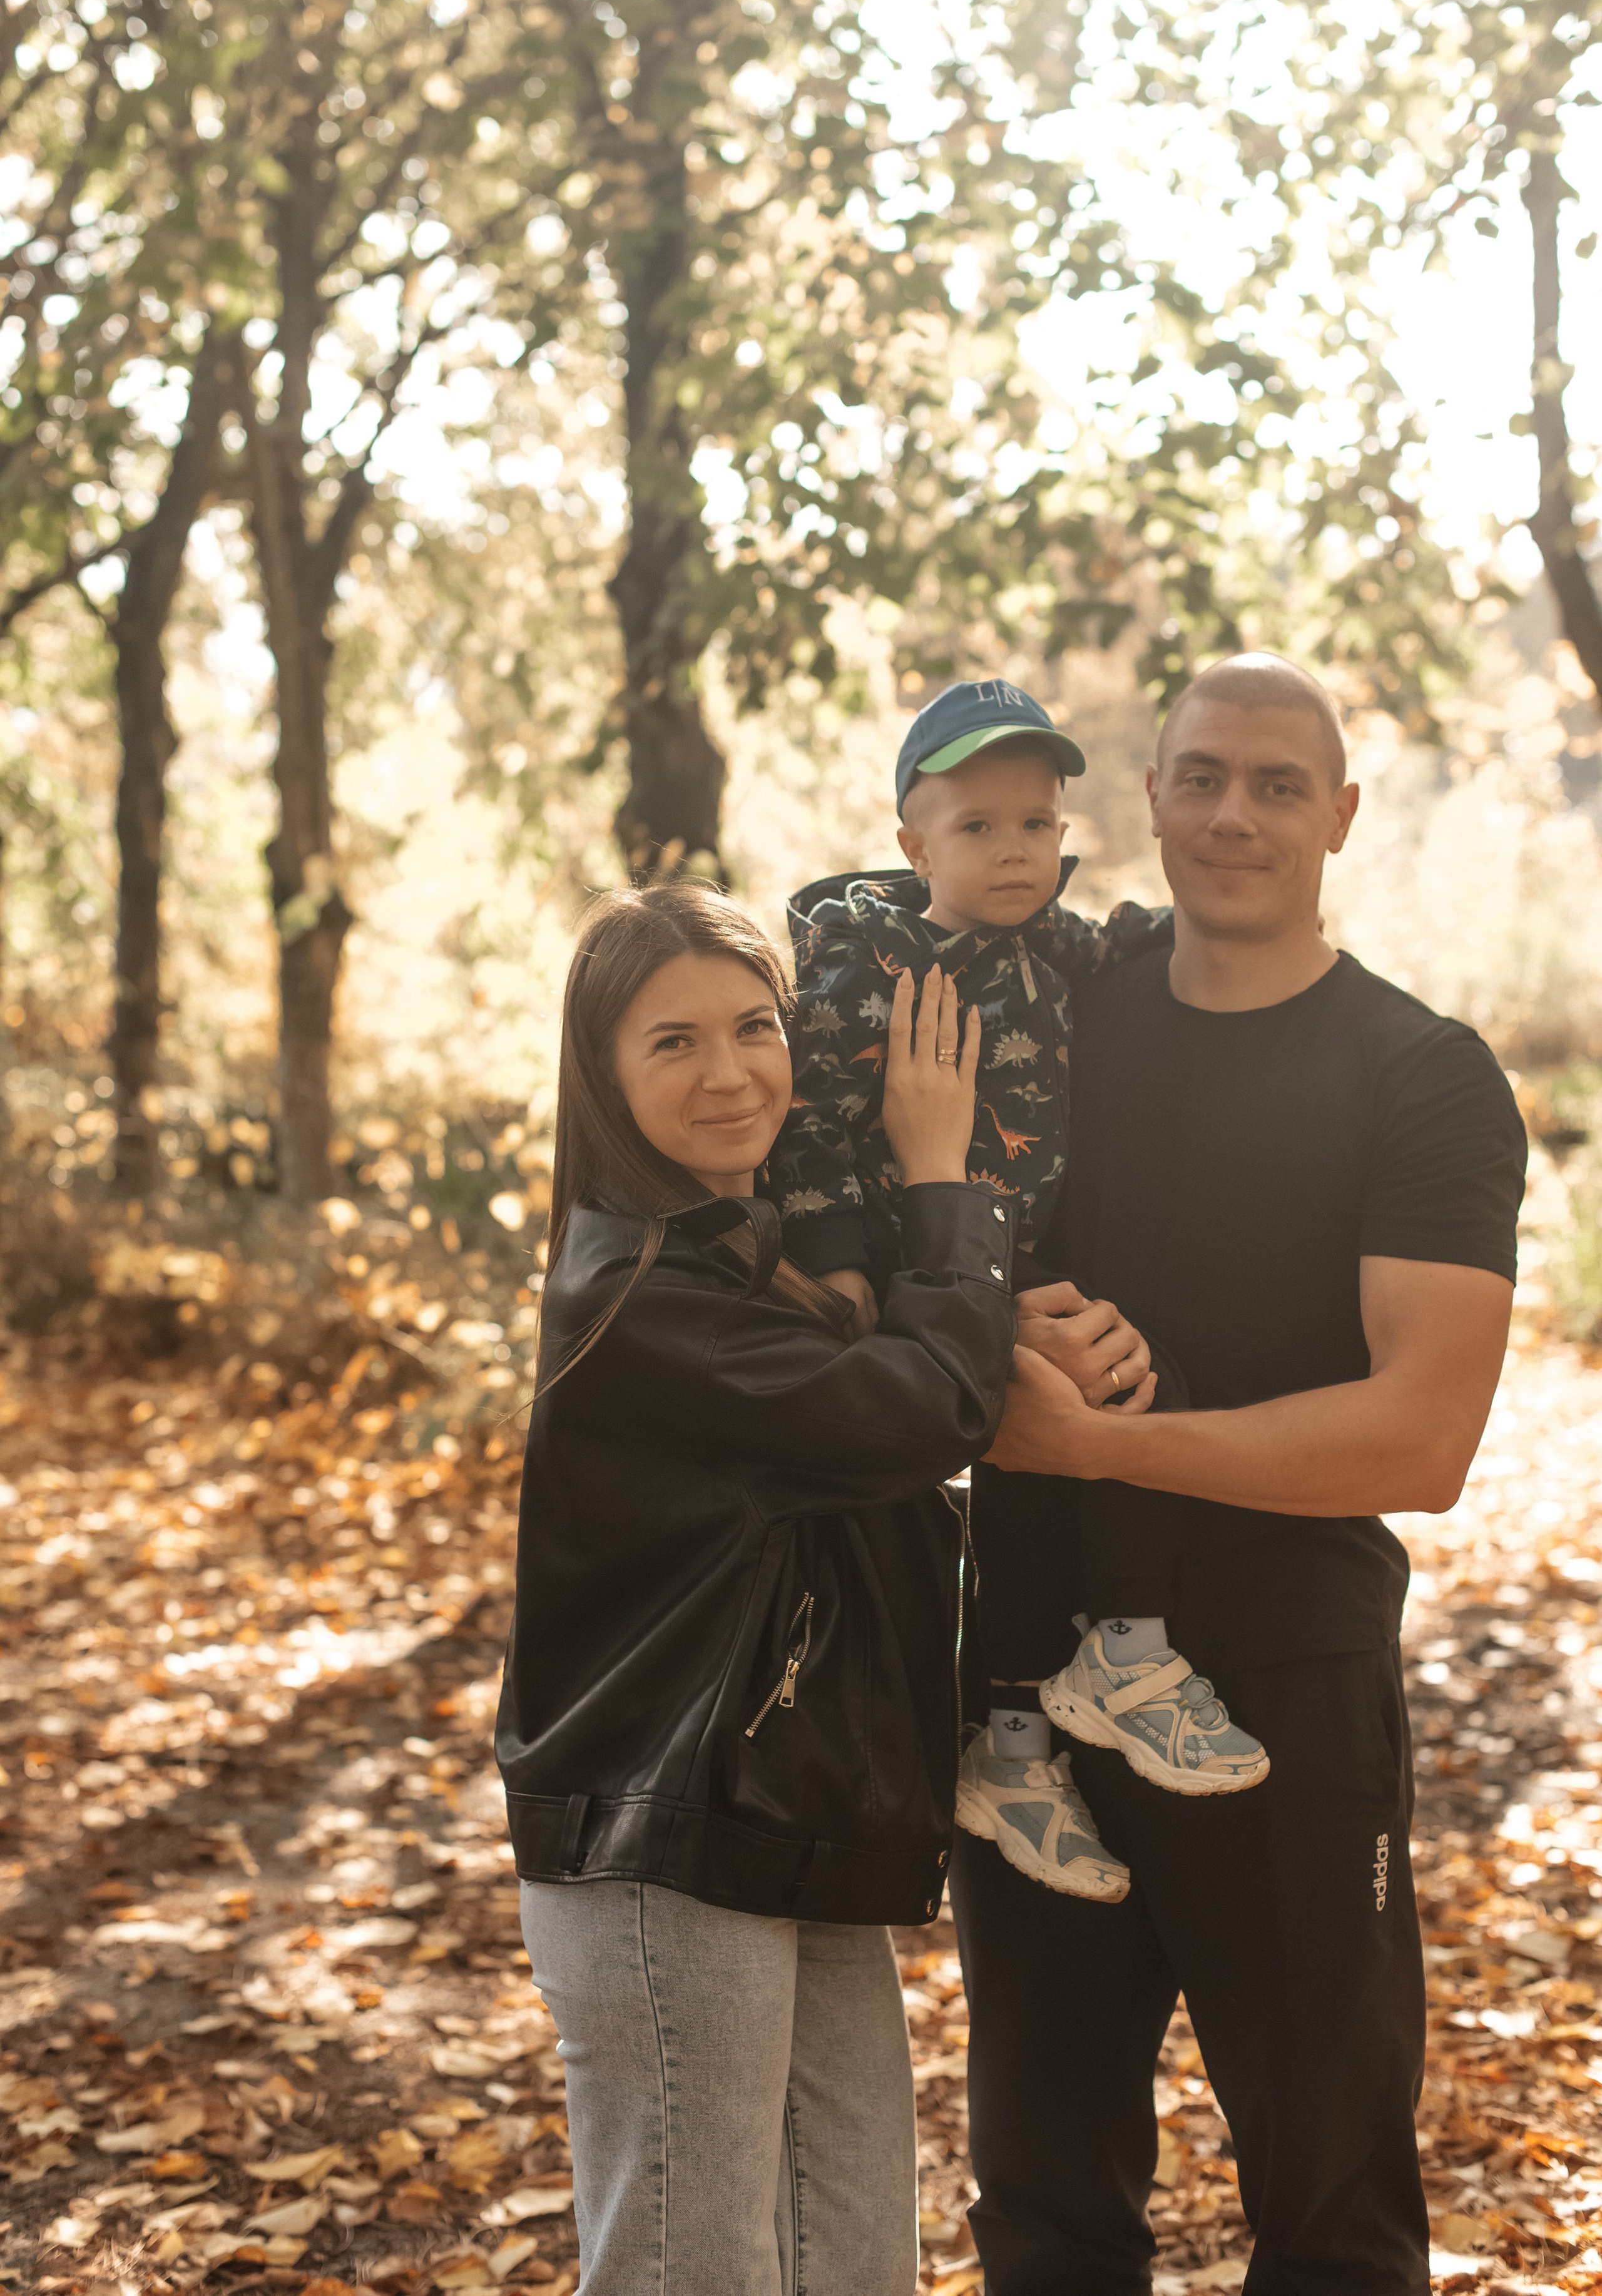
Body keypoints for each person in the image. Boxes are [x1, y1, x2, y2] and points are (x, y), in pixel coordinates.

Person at [956, 653, 1528, 2296]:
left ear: (1341, 816)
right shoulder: (1053, 1010)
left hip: (1284, 1690)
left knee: (1334, 2213)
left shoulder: (1420, 1075)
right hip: (1032, 1693)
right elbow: (882, 1160)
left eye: (1280, 785)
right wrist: (983, 1313)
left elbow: (1421, 1436)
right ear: (1146, 793)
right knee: (1045, 2212)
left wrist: (1106, 1442)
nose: (1234, 814)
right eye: (1201, 774)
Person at [494, 880, 1016, 2296]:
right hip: (664, 1841)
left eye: (754, 1026)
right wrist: (939, 1179)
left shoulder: (765, 1260)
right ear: (602, 1074)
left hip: (790, 1809)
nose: (729, 1072)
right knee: (689, 2266)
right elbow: (922, 1412)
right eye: (672, 1042)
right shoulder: (642, 1295)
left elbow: (909, 1391)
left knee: (851, 2253)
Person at [772, 676, 1265, 1909]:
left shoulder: (1052, 942)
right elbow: (818, 1129)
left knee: (1091, 1407)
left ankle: (1018, 1734)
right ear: (912, 844)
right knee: (1079, 1411)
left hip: (1007, 1256)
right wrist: (846, 1271)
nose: (1015, 851)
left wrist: (1211, 921)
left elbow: (1133, 936)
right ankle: (1117, 1657)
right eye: (979, 827)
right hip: (908, 1265)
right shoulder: (858, 970)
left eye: (1037, 826)